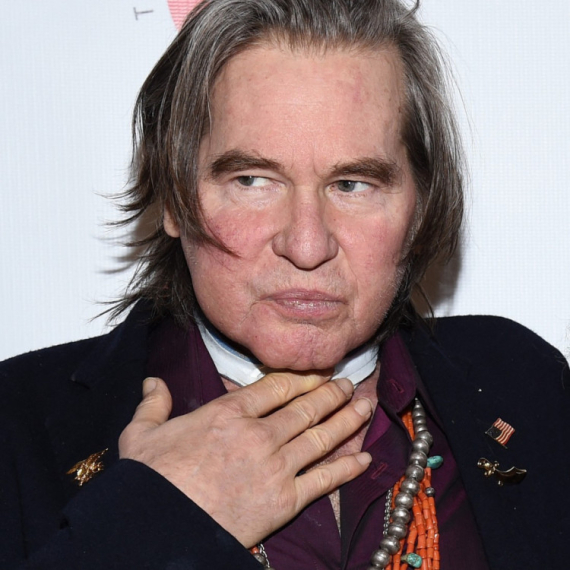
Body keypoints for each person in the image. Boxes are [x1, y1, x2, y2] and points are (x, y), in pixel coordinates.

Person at [1, 0, 568, 568]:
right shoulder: (18, 424)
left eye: (353, 184)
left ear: (420, 210)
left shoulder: (526, 387)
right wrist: (151, 520)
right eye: (252, 180)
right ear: (172, 197)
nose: (307, 245)